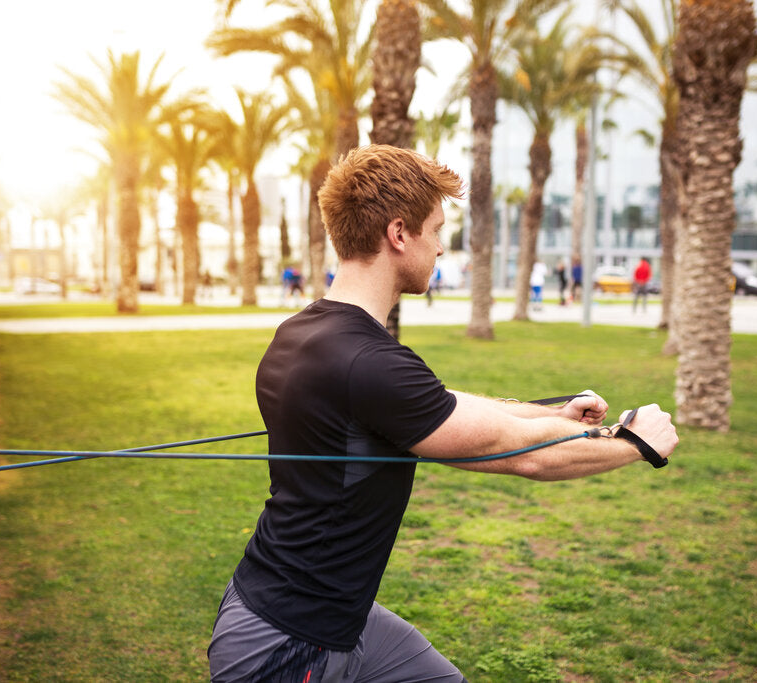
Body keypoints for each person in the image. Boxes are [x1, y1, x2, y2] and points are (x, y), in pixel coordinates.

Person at [207, 145, 679, 683]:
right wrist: (634, 441)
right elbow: (520, 455)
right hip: (291, 641)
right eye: (436, 230)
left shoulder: (306, 332)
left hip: (322, 610)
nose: (439, 247)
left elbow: (444, 405)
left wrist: (562, 416)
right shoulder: (369, 360)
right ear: (399, 233)